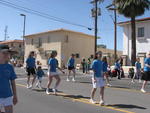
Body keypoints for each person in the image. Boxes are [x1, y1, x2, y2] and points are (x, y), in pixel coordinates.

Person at [0, 44, 18, 113]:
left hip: (7, 96)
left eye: (8, 53)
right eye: (4, 53)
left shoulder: (10, 67)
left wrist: (15, 96)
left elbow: (13, 82)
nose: (6, 55)